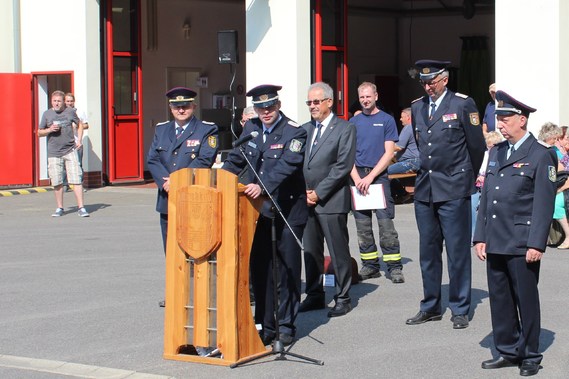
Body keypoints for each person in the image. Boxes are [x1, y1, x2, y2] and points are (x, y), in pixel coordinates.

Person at [474, 91, 557, 377]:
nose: (500, 123)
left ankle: (530, 354)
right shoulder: (497, 151)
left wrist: (537, 243)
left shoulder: (540, 154)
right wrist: (480, 235)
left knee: (525, 298)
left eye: (506, 118)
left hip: (522, 242)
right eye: (498, 118)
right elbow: (486, 196)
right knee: (500, 298)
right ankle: (508, 350)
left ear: (522, 120)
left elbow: (544, 205)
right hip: (496, 238)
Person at [222, 84, 307, 346]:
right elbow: (237, 159)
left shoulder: (295, 132)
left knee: (287, 269)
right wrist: (219, 180)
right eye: (260, 108)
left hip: (288, 210)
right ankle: (264, 325)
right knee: (261, 271)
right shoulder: (251, 129)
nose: (266, 111)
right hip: (258, 213)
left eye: (270, 106)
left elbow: (287, 166)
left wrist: (263, 186)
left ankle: (285, 325)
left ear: (278, 105)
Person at [405, 60, 485, 330]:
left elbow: (476, 147)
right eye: (424, 83)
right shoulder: (417, 107)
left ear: (445, 80)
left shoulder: (462, 104)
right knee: (428, 251)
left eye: (432, 82)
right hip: (426, 188)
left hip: (453, 187)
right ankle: (430, 305)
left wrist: (465, 179)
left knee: (457, 251)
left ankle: (460, 307)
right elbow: (420, 145)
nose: (428, 87)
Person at [147, 87, 218, 307]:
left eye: (185, 105)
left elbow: (204, 160)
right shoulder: (162, 130)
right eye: (176, 106)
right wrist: (166, 183)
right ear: (170, 108)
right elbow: (152, 160)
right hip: (168, 200)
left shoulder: (207, 129)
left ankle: (198, 296)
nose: (181, 109)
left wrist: (177, 181)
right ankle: (176, 294)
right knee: (172, 251)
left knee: (197, 250)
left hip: (194, 199)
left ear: (193, 106)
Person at [300, 82, 356, 318]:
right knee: (311, 250)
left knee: (337, 250)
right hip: (307, 201)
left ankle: (343, 297)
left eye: (316, 102)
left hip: (331, 200)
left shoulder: (344, 129)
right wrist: (304, 192)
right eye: (309, 102)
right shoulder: (304, 130)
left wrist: (318, 192)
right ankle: (314, 294)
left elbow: (342, 166)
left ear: (329, 102)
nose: (312, 106)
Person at [349, 82, 405, 283]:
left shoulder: (387, 120)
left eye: (368, 96)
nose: (365, 100)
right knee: (362, 226)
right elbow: (347, 154)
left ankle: (394, 267)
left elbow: (389, 152)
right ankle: (370, 265)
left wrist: (370, 177)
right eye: (362, 97)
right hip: (358, 179)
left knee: (385, 225)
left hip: (378, 178)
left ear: (376, 96)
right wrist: (357, 178)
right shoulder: (353, 122)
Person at [38, 90, 89, 218]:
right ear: (51, 101)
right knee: (57, 181)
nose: (56, 103)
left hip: (70, 149)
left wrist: (80, 140)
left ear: (63, 102)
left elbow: (80, 125)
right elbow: (39, 133)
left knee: (76, 179)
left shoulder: (70, 112)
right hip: (54, 152)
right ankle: (60, 207)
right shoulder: (47, 114)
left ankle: (81, 207)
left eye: (59, 101)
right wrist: (49, 130)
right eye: (54, 101)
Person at [537, 122, 569, 249]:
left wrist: (559, 189)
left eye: (558, 138)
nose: (556, 140)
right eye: (555, 138)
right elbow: (556, 169)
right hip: (559, 186)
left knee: (555, 204)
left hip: (563, 187)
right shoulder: (552, 151)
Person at [471, 131, 503, 240]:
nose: (490, 149)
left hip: (491, 187)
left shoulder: (502, 155)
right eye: (488, 146)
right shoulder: (483, 155)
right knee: (472, 207)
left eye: (492, 146)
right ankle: (473, 235)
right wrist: (477, 176)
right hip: (477, 186)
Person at [63, 93, 89, 192]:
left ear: (74, 101)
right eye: (67, 101)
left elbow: (86, 125)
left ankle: (80, 185)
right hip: (65, 143)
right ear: (64, 101)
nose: (69, 103)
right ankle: (66, 184)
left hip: (77, 142)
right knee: (65, 164)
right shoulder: (62, 113)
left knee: (78, 164)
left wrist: (78, 125)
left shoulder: (80, 112)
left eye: (71, 101)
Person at [388, 107, 420, 175]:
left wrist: (383, 148)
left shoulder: (408, 127)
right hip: (418, 161)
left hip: (410, 162)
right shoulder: (418, 127)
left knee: (383, 171)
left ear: (408, 118)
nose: (400, 119)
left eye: (402, 117)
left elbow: (398, 147)